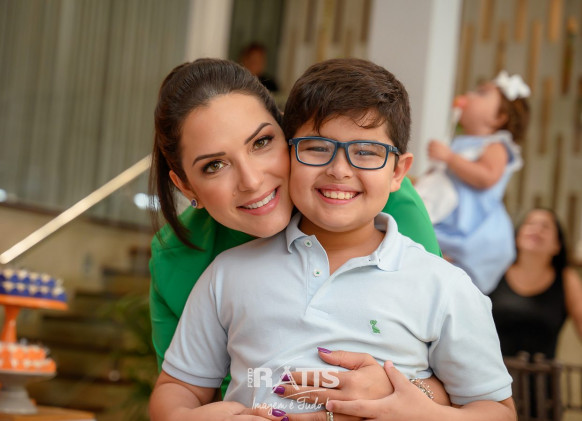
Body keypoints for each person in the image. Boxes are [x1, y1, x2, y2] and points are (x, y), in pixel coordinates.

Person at [150, 58, 515, 421]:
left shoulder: (438, 278)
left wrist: (409, 400)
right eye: (214, 165)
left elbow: (486, 403)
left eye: (261, 142)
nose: (340, 170)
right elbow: (180, 389)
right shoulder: (220, 272)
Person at [415, 70, 530, 294]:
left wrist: (450, 158)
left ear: (498, 118)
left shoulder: (496, 145)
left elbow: (486, 177)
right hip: (448, 216)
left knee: (455, 279)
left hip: (472, 223)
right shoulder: (460, 142)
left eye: (481, 93)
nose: (469, 94)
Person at [489, 207, 582, 359]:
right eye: (530, 224)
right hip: (487, 370)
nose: (537, 230)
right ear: (517, 237)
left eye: (545, 226)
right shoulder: (494, 269)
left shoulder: (567, 279)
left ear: (557, 245)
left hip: (541, 372)